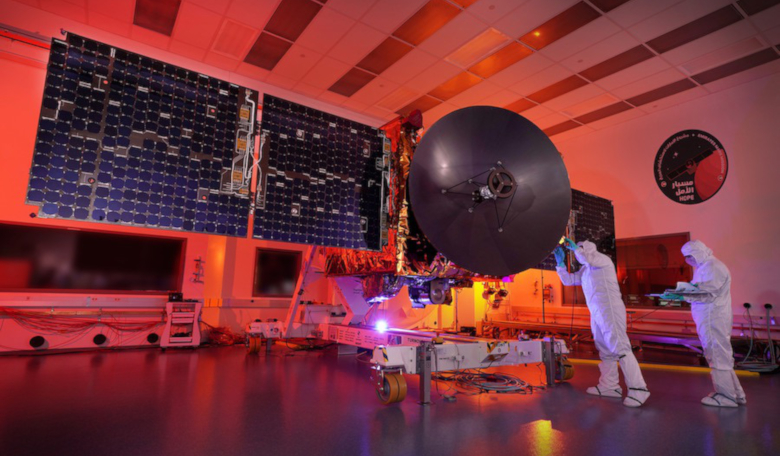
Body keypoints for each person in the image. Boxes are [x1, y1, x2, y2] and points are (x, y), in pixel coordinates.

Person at [554, 238, 650, 407]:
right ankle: (609, 386)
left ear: (588, 249)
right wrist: (560, 264)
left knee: (620, 348)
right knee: (605, 349)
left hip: (610, 309)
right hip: (597, 312)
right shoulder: (586, 269)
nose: (577, 251)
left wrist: (577, 249)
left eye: (580, 248)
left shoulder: (602, 260)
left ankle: (639, 390)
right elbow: (568, 281)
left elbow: (587, 258)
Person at [663, 240, 746, 407]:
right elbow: (700, 288)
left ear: (698, 252)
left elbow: (707, 293)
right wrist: (679, 292)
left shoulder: (712, 266)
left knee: (716, 355)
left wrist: (680, 295)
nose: (688, 260)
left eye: (689, 256)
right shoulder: (706, 267)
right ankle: (736, 394)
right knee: (720, 355)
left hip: (711, 318)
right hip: (711, 318)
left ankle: (726, 397)